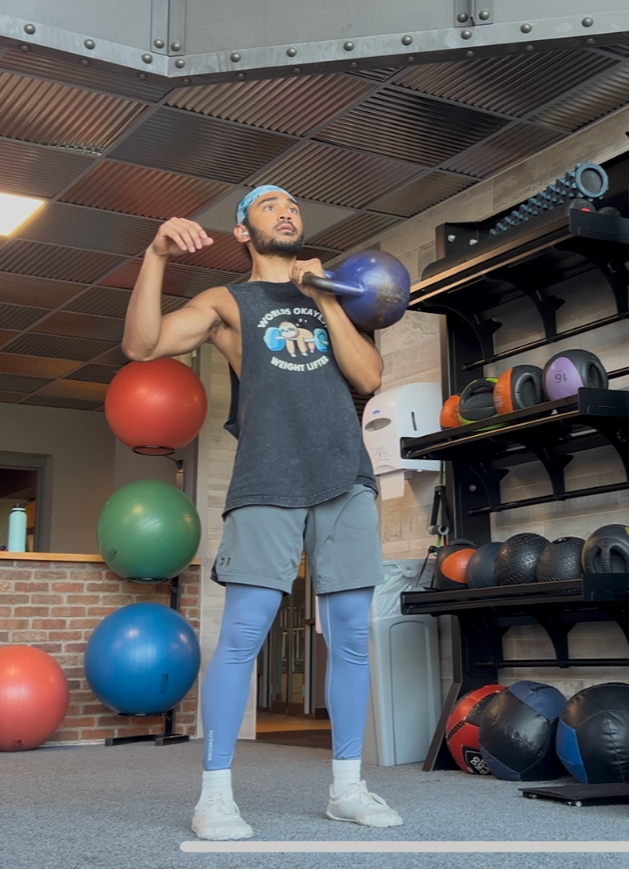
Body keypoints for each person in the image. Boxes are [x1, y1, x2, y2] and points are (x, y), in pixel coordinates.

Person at [122, 185, 402, 840]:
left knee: (351, 636)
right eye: (269, 204)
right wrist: (155, 255)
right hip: (267, 478)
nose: (286, 210)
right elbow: (142, 345)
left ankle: (347, 788)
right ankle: (215, 795)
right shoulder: (228, 303)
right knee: (243, 634)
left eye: (293, 205)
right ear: (243, 230)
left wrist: (324, 298)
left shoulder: (335, 295)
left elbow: (367, 378)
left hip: (345, 477)